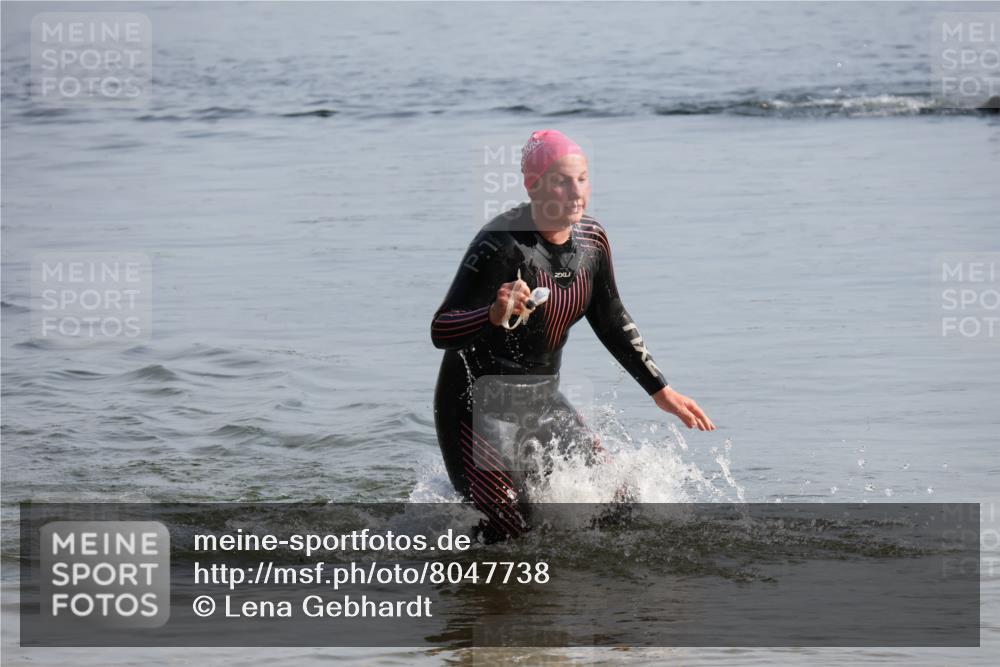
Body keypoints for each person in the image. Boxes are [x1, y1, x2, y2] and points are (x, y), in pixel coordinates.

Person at [431, 129, 714, 540]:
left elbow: (611, 317)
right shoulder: (500, 245)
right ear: (533, 185)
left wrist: (660, 390)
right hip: (477, 411)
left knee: (620, 503)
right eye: (561, 181)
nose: (576, 191)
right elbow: (442, 328)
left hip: (542, 401)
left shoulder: (592, 243)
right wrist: (493, 313)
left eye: (582, 178)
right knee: (509, 530)